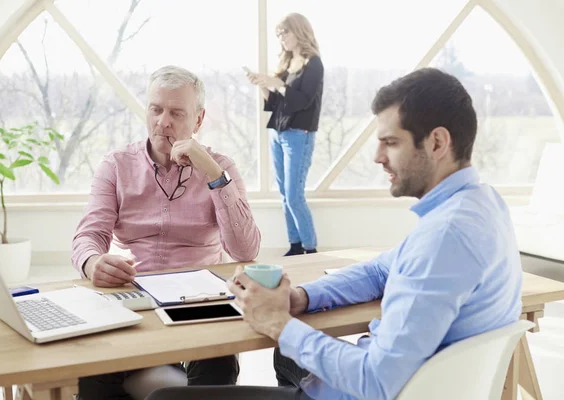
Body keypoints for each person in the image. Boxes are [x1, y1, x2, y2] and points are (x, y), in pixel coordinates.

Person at [147, 68, 523, 400]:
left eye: (390, 142)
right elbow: (379, 272)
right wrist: (299, 298)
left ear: (438, 143)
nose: (377, 156)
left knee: (165, 398)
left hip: (367, 389)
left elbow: (376, 381)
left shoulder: (445, 236)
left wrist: (280, 324)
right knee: (287, 351)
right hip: (406, 380)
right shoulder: (479, 204)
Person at [72, 65, 261, 399]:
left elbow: (246, 250)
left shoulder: (222, 168)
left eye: (176, 113)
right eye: (156, 109)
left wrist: (214, 175)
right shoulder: (116, 165)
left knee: (217, 365)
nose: (163, 122)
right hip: (134, 295)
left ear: (198, 120)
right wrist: (92, 262)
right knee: (95, 368)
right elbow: (89, 235)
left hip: (200, 300)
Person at [245, 12, 323, 256]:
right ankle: (296, 245)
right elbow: (278, 104)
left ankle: (311, 249)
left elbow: (301, 100)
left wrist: (276, 83)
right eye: (279, 35)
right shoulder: (287, 65)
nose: (282, 39)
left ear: (298, 31)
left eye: (285, 33)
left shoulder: (313, 64)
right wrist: (264, 86)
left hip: (299, 134)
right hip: (278, 133)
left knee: (294, 195)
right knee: (284, 194)